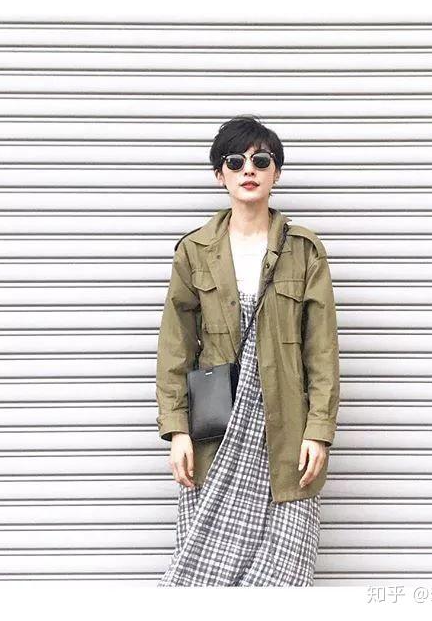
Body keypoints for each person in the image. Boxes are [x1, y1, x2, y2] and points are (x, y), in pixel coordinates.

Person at [155, 115, 340, 586]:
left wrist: (318, 431)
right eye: (235, 162)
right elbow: (175, 348)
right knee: (205, 574)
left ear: (277, 171)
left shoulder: (304, 251)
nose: (249, 170)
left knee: (285, 571)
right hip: (216, 437)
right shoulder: (194, 251)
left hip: (287, 437)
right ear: (220, 174)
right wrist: (177, 431)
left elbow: (322, 351)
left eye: (261, 160)